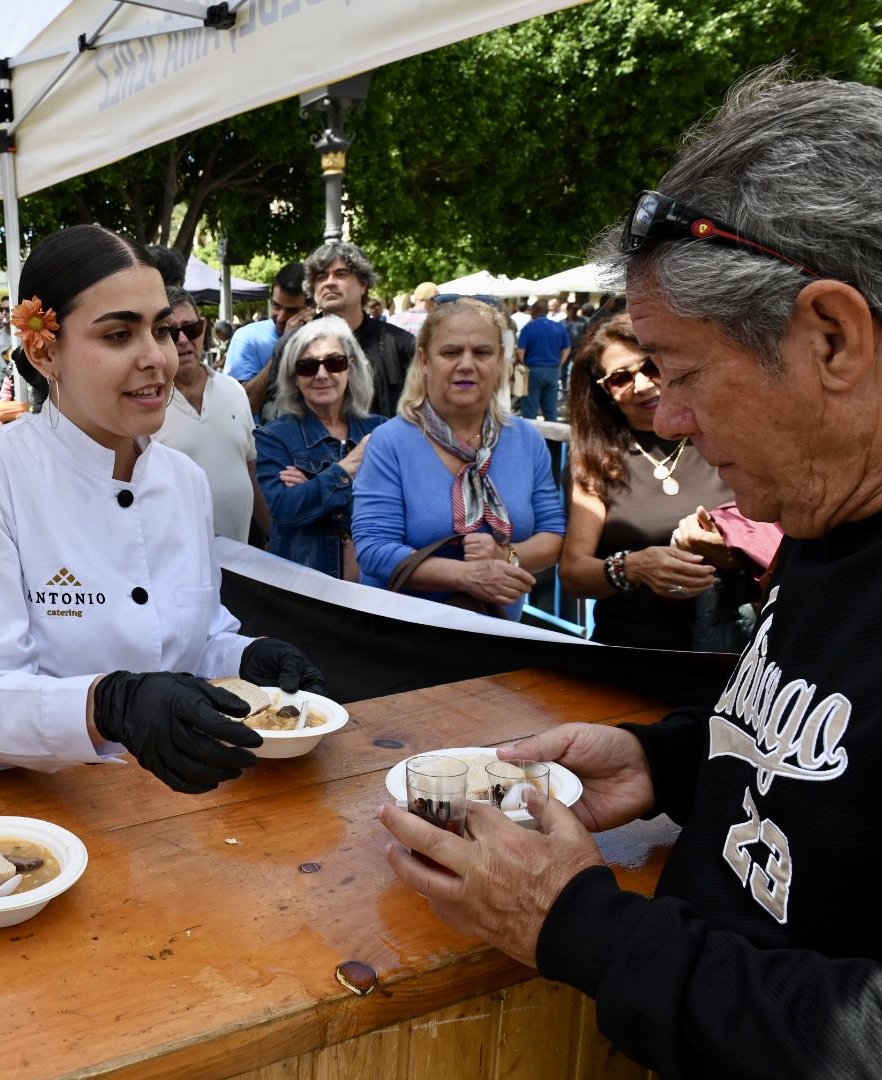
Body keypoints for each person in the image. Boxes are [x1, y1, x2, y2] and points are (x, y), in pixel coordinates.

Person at [377, 67, 882, 1078]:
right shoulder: (828, 514)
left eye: (683, 373)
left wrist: (579, 924)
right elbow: (835, 765)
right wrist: (667, 764)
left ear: (832, 338)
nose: (670, 418)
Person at [0, 225, 325, 791]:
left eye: (161, 329)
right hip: (12, 813)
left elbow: (195, 639)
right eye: (119, 335)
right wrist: (107, 704)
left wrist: (245, 658)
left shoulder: (184, 481)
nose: (156, 357)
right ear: (44, 349)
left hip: (155, 804)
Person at [351, 298, 565, 620]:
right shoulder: (390, 442)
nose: (466, 364)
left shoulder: (526, 440)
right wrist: (467, 576)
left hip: (499, 632)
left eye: (482, 352)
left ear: (500, 360)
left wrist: (506, 555)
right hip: (404, 633)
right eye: (451, 353)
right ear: (425, 361)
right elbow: (374, 550)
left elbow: (553, 535)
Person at [557, 309, 758, 649]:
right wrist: (633, 567)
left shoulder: (727, 436)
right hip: (630, 651)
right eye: (620, 378)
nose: (642, 385)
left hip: (729, 650)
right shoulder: (595, 458)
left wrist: (727, 553)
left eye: (651, 366)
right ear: (604, 391)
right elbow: (573, 574)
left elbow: (783, 542)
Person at [254, 316, 388, 580]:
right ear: (294, 377)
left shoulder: (380, 430)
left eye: (334, 363)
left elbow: (389, 513)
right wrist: (346, 469)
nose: (322, 375)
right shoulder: (274, 437)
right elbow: (284, 509)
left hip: (372, 584)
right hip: (304, 590)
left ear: (351, 368)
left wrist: (313, 488)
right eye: (307, 366)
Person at [153, 288, 267, 544]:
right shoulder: (145, 404)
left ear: (203, 328)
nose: (183, 340)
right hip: (174, 560)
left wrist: (271, 532)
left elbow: (251, 469)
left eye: (191, 328)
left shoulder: (234, 389)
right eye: (170, 332)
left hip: (241, 555)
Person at [305, 241, 417, 417]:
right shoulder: (294, 347)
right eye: (321, 277)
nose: (329, 282)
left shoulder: (400, 343)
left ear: (363, 284)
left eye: (340, 274)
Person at [227, 261, 308, 412]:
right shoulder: (248, 338)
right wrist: (283, 346)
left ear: (311, 309)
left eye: (292, 311)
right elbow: (244, 405)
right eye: (276, 306)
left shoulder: (325, 340)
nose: (281, 317)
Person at [515, 299, 573, 420]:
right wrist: (560, 363)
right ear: (546, 311)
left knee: (530, 409)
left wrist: (524, 364)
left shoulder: (528, 328)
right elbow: (567, 348)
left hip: (534, 370)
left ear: (533, 311)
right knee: (550, 409)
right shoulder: (559, 327)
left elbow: (520, 351)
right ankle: (552, 432)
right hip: (553, 370)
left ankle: (530, 432)